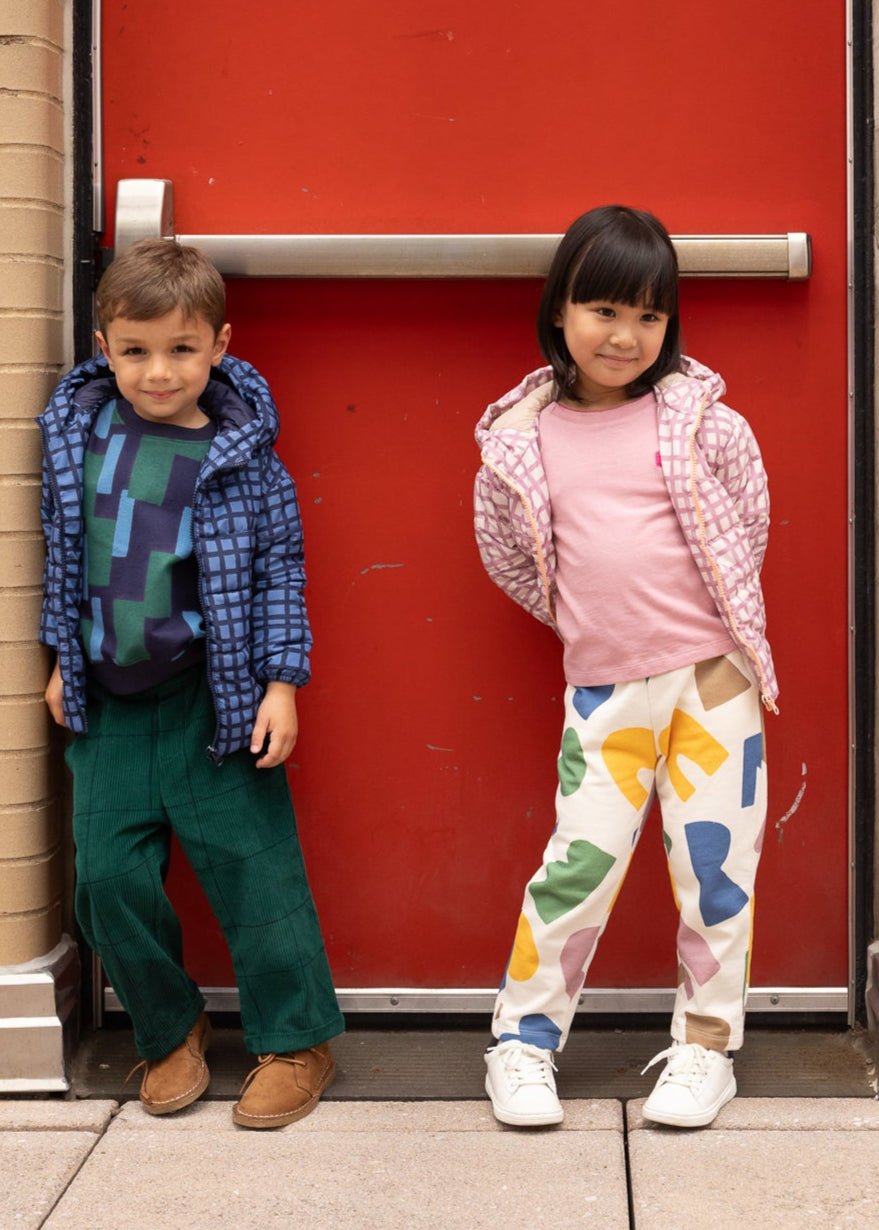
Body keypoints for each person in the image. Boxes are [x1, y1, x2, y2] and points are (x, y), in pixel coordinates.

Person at [474, 205, 777, 1129]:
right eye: (604, 310)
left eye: (649, 316)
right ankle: (522, 1043)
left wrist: (715, 644)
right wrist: (585, 621)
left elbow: (747, 528)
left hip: (713, 684)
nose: (626, 335)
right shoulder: (519, 442)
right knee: (578, 864)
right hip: (604, 691)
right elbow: (507, 556)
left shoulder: (702, 424)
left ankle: (705, 1046)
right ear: (560, 310)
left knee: (715, 876)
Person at [38, 238, 344, 1128]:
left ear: (219, 345)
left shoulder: (244, 460)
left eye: (181, 349)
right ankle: (171, 1031)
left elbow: (279, 573)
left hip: (217, 695)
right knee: (105, 881)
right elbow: (65, 559)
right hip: (107, 696)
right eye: (135, 351)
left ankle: (297, 1040)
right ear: (103, 348)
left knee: (254, 874)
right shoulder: (78, 438)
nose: (158, 372)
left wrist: (281, 684)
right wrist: (63, 657)